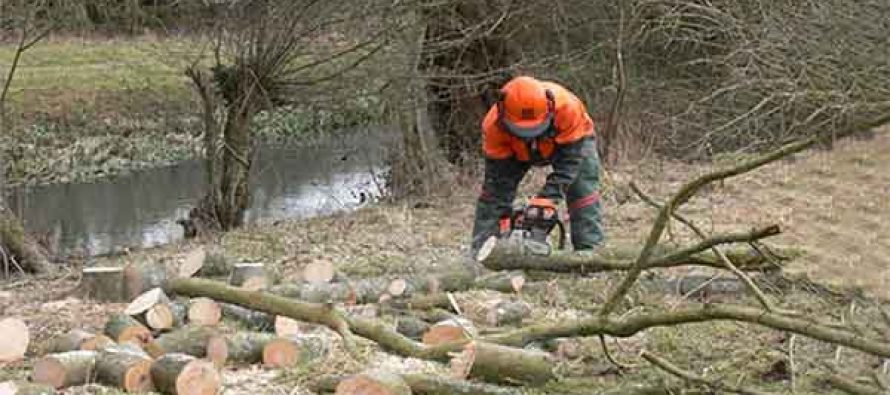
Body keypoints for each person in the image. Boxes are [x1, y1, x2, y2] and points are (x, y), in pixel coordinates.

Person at [471, 75, 604, 252]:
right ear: (502, 111)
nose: (529, 135)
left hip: (565, 142)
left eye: (533, 129)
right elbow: (497, 182)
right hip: (515, 149)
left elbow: (571, 162)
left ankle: (589, 253)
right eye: (522, 130)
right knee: (493, 197)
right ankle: (484, 253)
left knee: (582, 190)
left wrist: (549, 197)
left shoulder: (568, 108)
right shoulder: (493, 126)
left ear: (549, 107)